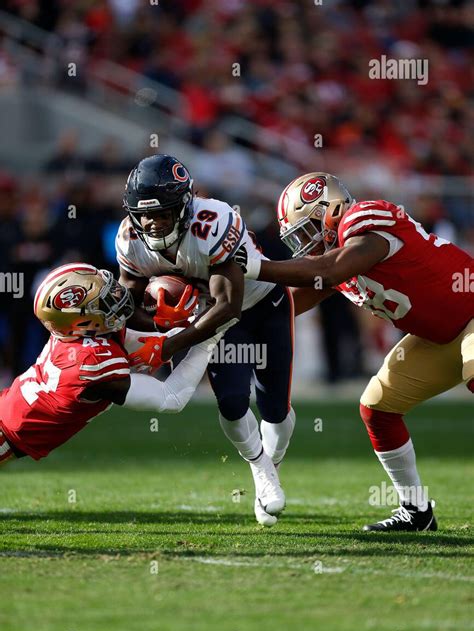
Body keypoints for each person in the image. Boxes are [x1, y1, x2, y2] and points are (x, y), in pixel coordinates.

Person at [233, 172, 474, 532]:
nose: (304, 243)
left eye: (307, 229)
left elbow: (329, 270)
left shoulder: (364, 220)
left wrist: (254, 266)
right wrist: (223, 313)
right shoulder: (338, 261)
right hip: (439, 337)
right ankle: (416, 510)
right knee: (378, 408)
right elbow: (284, 306)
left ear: (331, 210)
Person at [116, 154, 296, 526]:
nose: (152, 222)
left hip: (261, 306)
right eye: (145, 214)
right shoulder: (130, 238)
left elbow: (229, 304)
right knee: (231, 403)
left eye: (163, 212)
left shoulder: (212, 221)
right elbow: (128, 301)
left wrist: (168, 344)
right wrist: (156, 322)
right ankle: (262, 471)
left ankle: (270, 466)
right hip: (211, 321)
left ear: (184, 205)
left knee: (275, 407)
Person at [0, 263, 219, 468]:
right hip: (7, 433)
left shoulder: (81, 333)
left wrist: (194, 321)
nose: (118, 294)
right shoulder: (90, 362)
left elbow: (154, 343)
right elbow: (171, 398)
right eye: (102, 301)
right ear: (82, 321)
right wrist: (210, 337)